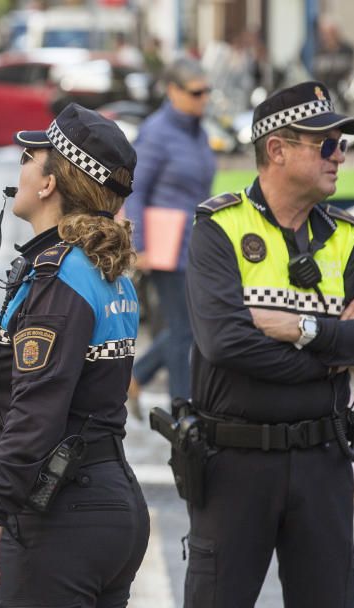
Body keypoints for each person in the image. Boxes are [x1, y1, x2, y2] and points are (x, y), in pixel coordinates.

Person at [183, 81, 354, 607]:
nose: (340, 156)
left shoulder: (348, 237)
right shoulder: (219, 228)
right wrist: (334, 357)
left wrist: (305, 330)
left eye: (342, 144)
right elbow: (226, 344)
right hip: (234, 463)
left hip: (323, 460)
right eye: (325, 144)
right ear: (277, 150)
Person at [0, 103, 150, 606]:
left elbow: (36, 410)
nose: (20, 167)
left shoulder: (60, 278)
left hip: (61, 517)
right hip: (102, 502)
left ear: (49, 184)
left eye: (30, 157)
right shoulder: (97, 268)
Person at [124, 57, 216, 417]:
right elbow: (136, 189)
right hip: (164, 245)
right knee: (183, 329)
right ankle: (182, 411)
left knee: (191, 324)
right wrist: (140, 244)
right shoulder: (157, 132)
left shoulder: (198, 129)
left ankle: (137, 376)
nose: (204, 98)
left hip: (194, 245)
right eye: (196, 92)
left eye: (207, 91)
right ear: (173, 91)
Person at [312, 18, 354, 110]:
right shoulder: (319, 53)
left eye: (329, 33)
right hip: (325, 98)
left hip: (346, 97)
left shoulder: (347, 50)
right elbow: (317, 76)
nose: (325, 36)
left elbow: (353, 72)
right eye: (323, 33)